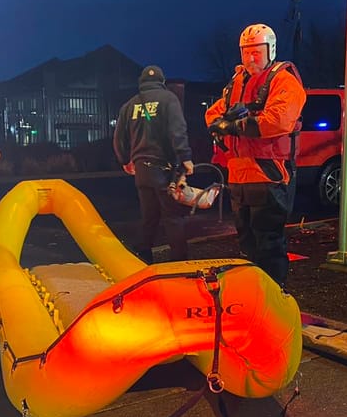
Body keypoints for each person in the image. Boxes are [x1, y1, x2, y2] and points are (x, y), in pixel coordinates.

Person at [204, 24, 306, 287]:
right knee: (246, 241)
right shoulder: (236, 83)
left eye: (256, 52)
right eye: (247, 52)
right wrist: (224, 122)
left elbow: (279, 120)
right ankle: (253, 293)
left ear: (270, 50)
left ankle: (274, 295)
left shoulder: (283, 80)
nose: (251, 58)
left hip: (268, 173)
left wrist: (235, 125)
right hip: (239, 174)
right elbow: (212, 114)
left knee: (269, 241)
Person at [113, 65, 194, 263]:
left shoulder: (129, 105)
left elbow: (118, 138)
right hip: (164, 169)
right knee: (173, 217)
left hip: (141, 169)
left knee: (149, 216)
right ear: (162, 81)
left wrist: (125, 160)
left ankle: (143, 257)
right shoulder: (169, 100)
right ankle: (178, 262)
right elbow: (177, 130)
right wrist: (185, 156)